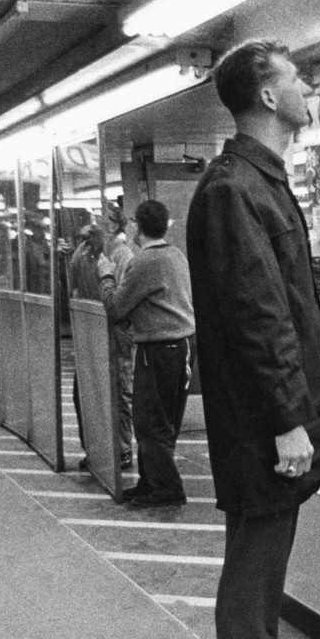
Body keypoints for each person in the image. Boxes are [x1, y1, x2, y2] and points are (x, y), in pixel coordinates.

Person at [186, 39, 320, 639]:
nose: (310, 86)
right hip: (263, 425)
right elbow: (258, 318)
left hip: (278, 416)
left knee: (267, 565)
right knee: (251, 571)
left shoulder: (262, 181)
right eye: (298, 78)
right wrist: (287, 422)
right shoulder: (233, 190)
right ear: (270, 97)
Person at [106, 200, 195, 507]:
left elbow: (117, 308)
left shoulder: (144, 262)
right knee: (164, 420)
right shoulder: (176, 255)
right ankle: (150, 482)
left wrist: (106, 275)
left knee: (148, 422)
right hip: (181, 347)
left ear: (137, 227)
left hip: (156, 349)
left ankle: (168, 489)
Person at [68, 224, 113, 471]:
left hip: (92, 335)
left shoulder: (82, 257)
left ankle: (97, 449)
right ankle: (107, 449)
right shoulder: (99, 259)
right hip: (100, 334)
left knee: (85, 394)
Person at [102, 205, 136, 470]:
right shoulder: (105, 253)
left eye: (102, 221)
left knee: (122, 390)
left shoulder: (122, 255)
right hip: (109, 332)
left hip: (121, 335)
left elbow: (121, 302)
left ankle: (124, 447)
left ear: (114, 226)